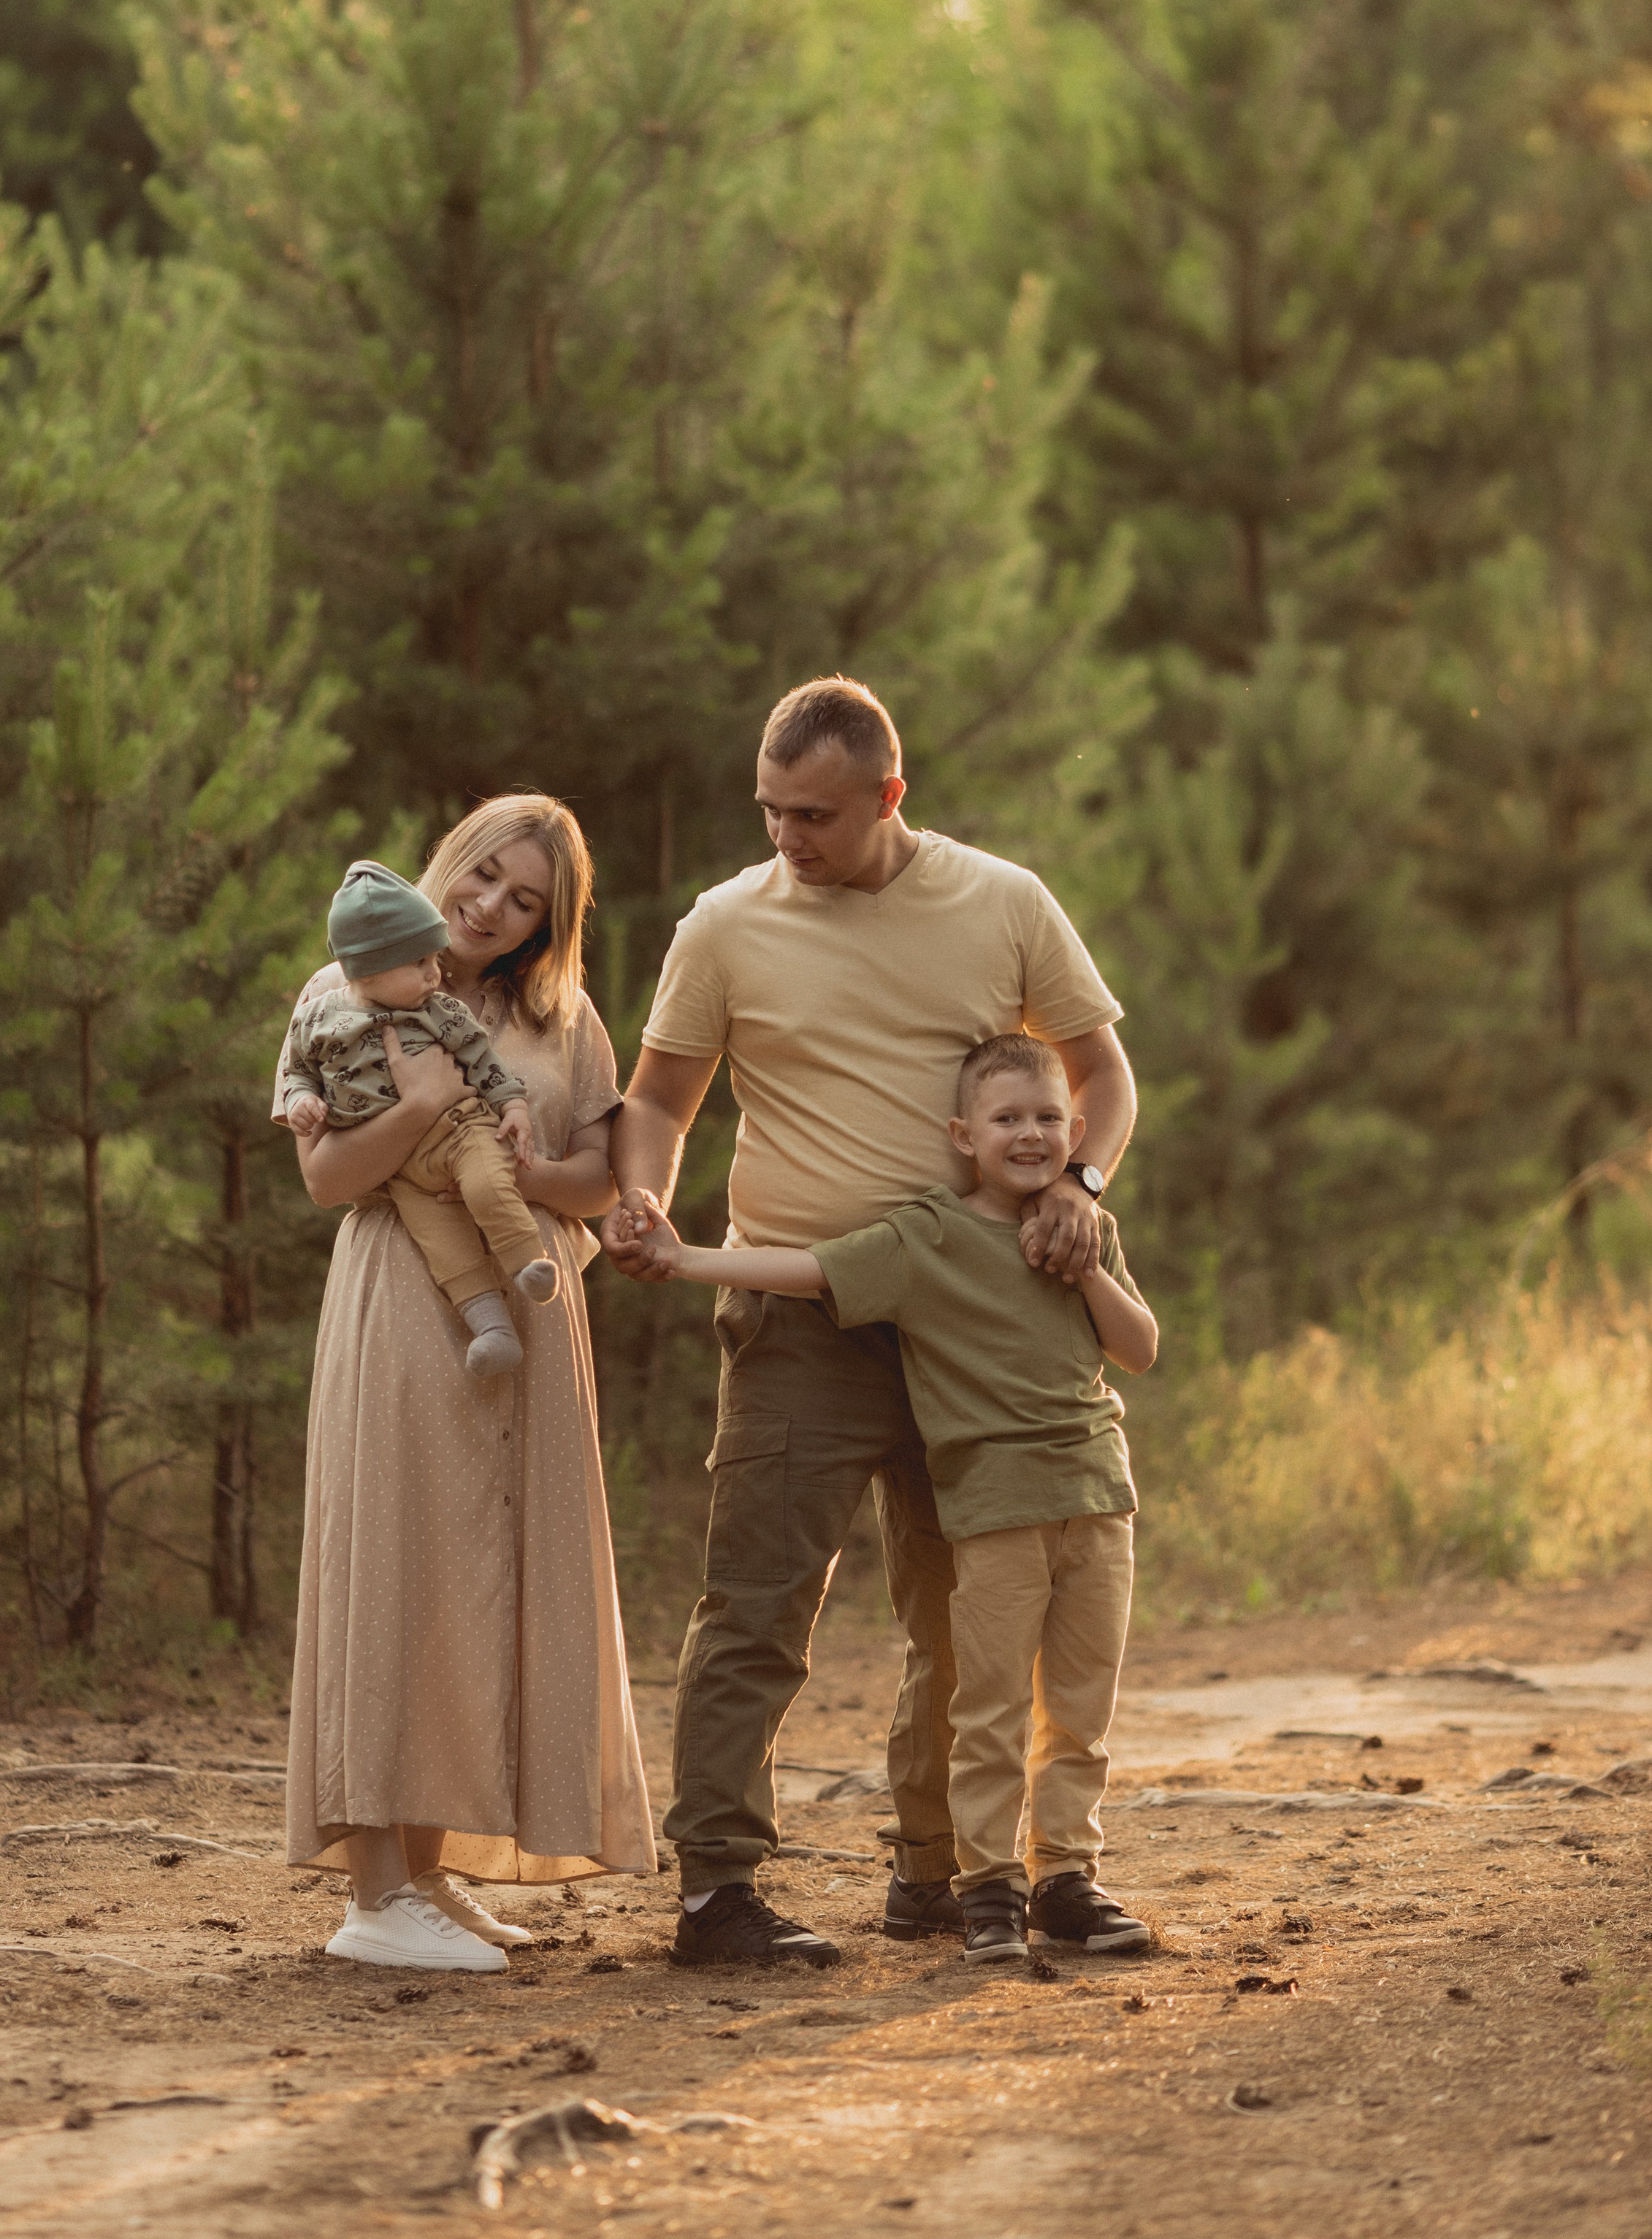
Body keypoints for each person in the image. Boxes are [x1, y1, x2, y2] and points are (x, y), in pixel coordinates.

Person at [602, 673, 1136, 1970]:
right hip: (800, 1320)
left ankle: (939, 1871)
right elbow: (660, 1101)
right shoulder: (727, 925)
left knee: (965, 1618)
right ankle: (717, 1890)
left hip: (975, 1324)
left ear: (890, 795)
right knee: (757, 1604)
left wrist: (1079, 1184)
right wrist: (643, 1196)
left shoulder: (1004, 901)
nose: (787, 837)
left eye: (816, 815)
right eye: (771, 810)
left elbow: (1103, 1075)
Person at [630, 1032, 1158, 1964]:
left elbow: (1140, 1347)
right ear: (962, 1136)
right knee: (990, 1705)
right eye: (1006, 1118)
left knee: (1080, 1712)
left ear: (1075, 1132)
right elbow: (811, 1269)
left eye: (1047, 1118)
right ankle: (987, 1886)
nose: (1029, 1135)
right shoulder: (928, 1238)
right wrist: (686, 1259)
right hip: (994, 1508)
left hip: (1097, 1494)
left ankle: (1067, 1877)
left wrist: (1085, 1263)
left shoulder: (1085, 1229)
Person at [278, 794, 655, 1976]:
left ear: (551, 923)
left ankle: (428, 1877)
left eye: (526, 899)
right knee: (395, 1572)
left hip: (530, 1313)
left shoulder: (564, 1022)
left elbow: (599, 1180)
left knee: (478, 1587)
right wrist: (427, 1110)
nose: (492, 907)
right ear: (449, 862)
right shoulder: (343, 990)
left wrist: (533, 1173)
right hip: (401, 1303)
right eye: (484, 875)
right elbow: (328, 1180)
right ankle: (374, 1894)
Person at [280, 858, 559, 1379]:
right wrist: (301, 1102)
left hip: (462, 1130)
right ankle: (494, 1330)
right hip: (403, 1171)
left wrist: (514, 1105)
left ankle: (528, 1262)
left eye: (434, 958)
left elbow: (483, 1061)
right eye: (420, 963)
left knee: (487, 1185)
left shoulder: (437, 1010)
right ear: (368, 968)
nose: (436, 974)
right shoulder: (317, 1015)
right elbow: (300, 1072)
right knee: (445, 1248)